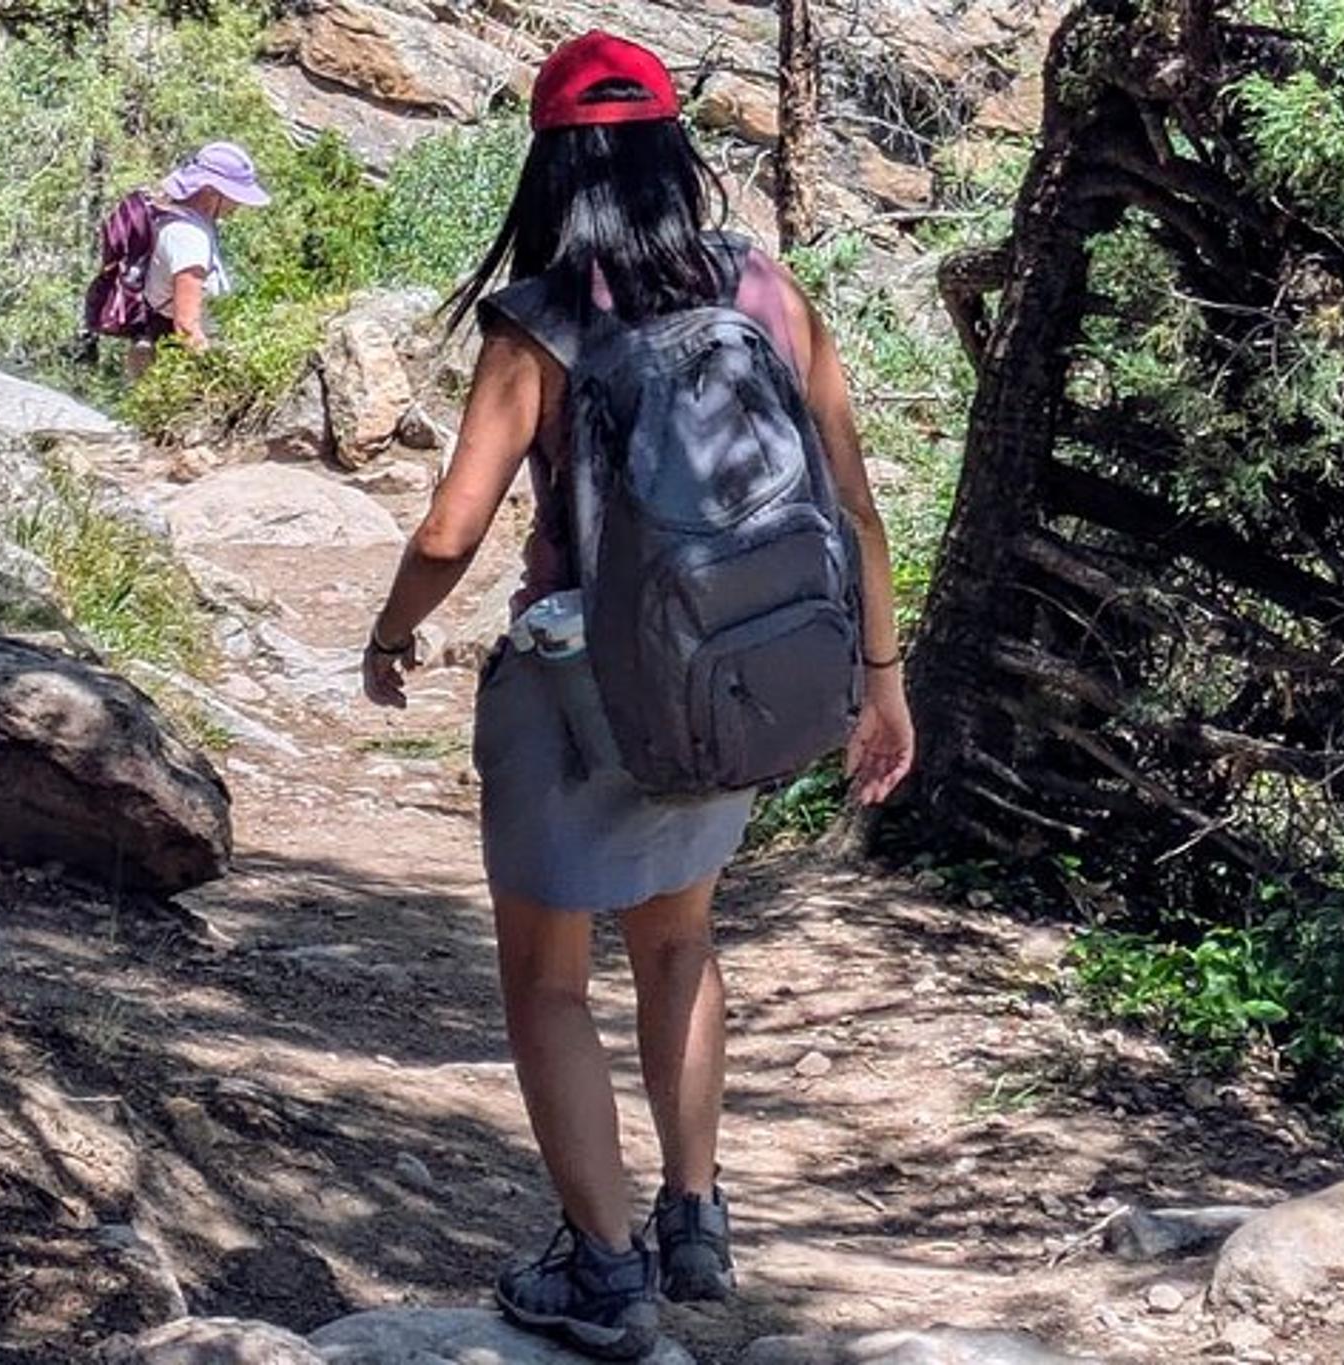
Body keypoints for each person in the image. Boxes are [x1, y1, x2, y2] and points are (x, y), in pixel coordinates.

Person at [360, 30, 917, 1361]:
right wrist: (881, 684)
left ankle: (604, 1272)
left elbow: (448, 531)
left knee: (548, 981)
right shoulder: (764, 288)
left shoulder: (541, 319)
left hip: (578, 693)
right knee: (679, 944)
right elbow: (854, 506)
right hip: (732, 679)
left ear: (550, 170)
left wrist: (389, 635)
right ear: (675, 153)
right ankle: (694, 1219)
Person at [127, 141, 270, 374]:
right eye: (234, 196)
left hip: (162, 347)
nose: (238, 205)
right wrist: (217, 374)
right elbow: (186, 326)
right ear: (211, 192)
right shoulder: (188, 237)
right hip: (174, 362)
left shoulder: (174, 219)